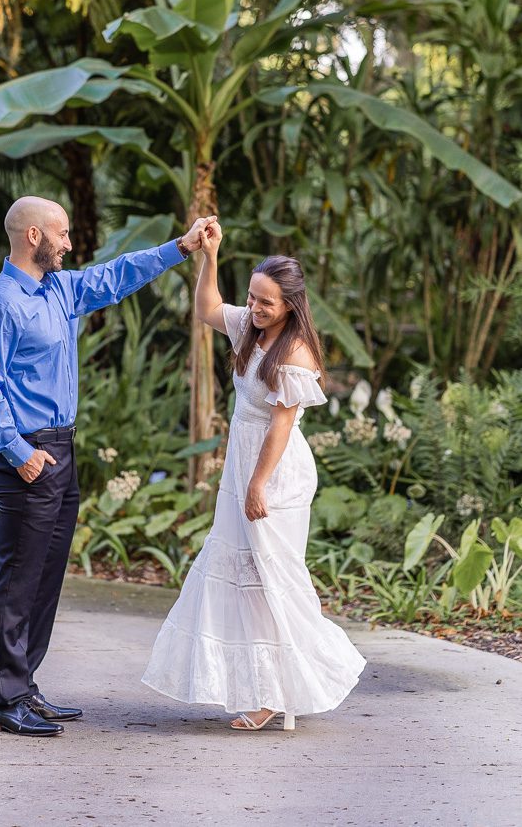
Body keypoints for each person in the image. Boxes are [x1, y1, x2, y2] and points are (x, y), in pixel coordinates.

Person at [0, 196, 215, 737]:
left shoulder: (59, 289)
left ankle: (24, 686)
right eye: (63, 234)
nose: (70, 243)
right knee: (17, 576)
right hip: (27, 452)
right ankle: (3, 700)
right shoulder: (0, 304)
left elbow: (114, 276)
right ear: (33, 236)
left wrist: (182, 246)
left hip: (60, 448)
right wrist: (18, 451)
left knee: (45, 577)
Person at [142, 220, 366, 731]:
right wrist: (210, 257)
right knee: (240, 574)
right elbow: (206, 309)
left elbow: (281, 428)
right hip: (243, 460)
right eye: (253, 298)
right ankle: (258, 685)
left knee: (269, 575)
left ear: (291, 304)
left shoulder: (295, 351)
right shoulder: (250, 328)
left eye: (267, 302)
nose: (257, 308)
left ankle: (274, 693)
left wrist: (257, 484)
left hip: (274, 470)